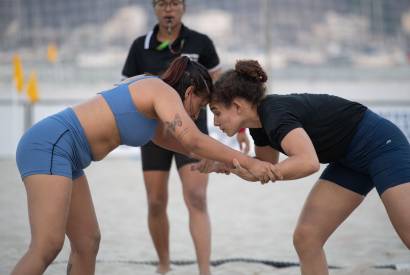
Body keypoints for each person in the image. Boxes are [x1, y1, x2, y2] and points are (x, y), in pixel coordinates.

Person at [11, 57, 276, 275]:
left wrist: (223, 163)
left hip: (67, 155)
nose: (197, 114)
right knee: (48, 245)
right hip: (51, 144)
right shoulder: (158, 90)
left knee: (87, 242)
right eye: (201, 105)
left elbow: (186, 147)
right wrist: (249, 161)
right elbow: (194, 140)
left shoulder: (152, 110)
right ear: (189, 92)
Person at [195, 59, 410, 275]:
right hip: (348, 162)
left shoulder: (275, 114)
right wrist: (224, 164)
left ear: (237, 106)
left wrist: (268, 173)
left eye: (216, 112)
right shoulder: (258, 126)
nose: (214, 122)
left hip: (382, 147)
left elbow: (308, 162)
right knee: (307, 237)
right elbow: (264, 167)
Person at [121, 0, 249, 274]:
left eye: (174, 3)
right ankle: (164, 265)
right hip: (153, 134)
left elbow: (222, 91)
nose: (169, 9)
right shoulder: (139, 46)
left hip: (192, 132)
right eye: (163, 4)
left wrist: (239, 127)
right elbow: (126, 90)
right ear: (154, 8)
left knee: (196, 197)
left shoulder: (201, 42)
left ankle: (205, 270)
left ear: (183, 7)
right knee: (156, 201)